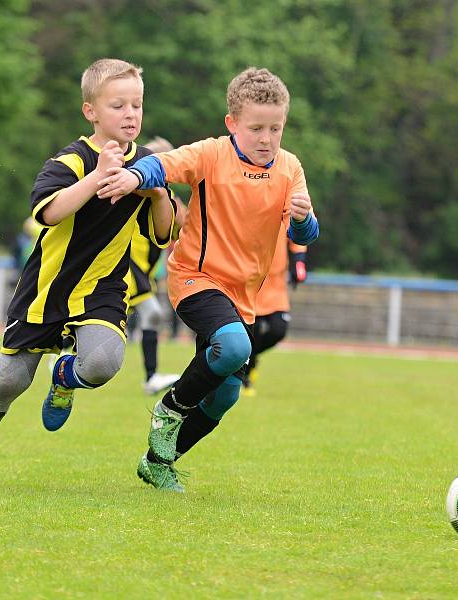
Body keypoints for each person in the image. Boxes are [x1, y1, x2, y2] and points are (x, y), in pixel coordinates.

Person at [0, 58, 175, 486]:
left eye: (137, 106)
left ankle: (64, 376)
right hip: (45, 292)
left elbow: (163, 233)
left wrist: (158, 192)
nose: (130, 115)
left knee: (103, 363)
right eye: (118, 105)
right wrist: (98, 177)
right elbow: (49, 212)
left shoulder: (146, 163)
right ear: (91, 112)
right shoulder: (70, 162)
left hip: (102, 289)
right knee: (8, 382)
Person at [98, 67, 319, 492]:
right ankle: (170, 408)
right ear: (231, 124)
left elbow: (303, 234)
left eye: (276, 128)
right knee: (235, 346)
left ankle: (159, 461)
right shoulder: (211, 154)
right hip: (195, 278)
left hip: (243, 296)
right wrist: (133, 176)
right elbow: (162, 164)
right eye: (255, 128)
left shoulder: (290, 167)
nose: (266, 138)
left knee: (225, 396)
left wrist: (306, 219)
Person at [127, 137, 187, 395]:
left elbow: (184, 228)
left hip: (145, 271)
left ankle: (151, 377)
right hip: (126, 265)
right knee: (152, 313)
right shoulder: (133, 192)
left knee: (144, 316)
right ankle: (151, 377)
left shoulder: (169, 197)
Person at [241, 226, 308, 396]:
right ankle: (243, 374)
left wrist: (298, 262)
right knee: (248, 334)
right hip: (248, 283)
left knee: (278, 330)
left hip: (275, 286)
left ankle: (250, 358)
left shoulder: (285, 204)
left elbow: (298, 234)